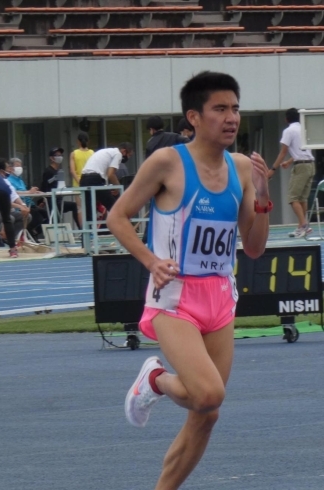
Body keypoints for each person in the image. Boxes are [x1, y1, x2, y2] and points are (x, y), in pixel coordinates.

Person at [107, 71, 270, 490]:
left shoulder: (242, 169)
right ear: (194, 117)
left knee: (207, 413)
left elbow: (253, 248)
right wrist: (150, 260)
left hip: (220, 297)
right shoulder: (167, 162)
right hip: (174, 298)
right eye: (220, 109)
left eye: (235, 108)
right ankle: (154, 380)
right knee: (208, 394)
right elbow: (117, 216)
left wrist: (265, 197)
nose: (231, 117)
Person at [268, 108, 315, 238]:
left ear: (286, 119)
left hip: (301, 167)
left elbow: (283, 151)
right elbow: (303, 151)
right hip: (310, 165)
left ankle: (304, 225)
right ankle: (301, 226)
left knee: (293, 198)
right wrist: (289, 161)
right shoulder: (304, 129)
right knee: (302, 198)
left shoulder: (289, 131)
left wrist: (272, 169)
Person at [79, 142, 134, 226]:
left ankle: (88, 235)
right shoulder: (117, 154)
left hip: (84, 179)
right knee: (114, 207)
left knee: (88, 209)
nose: (128, 158)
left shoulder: (107, 151)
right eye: (129, 155)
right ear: (124, 151)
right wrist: (118, 187)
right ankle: (124, 229)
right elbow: (111, 174)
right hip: (95, 179)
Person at [41, 147, 81, 229]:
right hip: (52, 201)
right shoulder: (48, 171)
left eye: (60, 155)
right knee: (54, 217)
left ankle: (81, 229)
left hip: (59, 200)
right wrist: (42, 200)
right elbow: (44, 186)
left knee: (74, 206)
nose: (59, 157)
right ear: (51, 158)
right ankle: (38, 229)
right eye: (57, 155)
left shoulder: (59, 171)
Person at [7, 158, 46, 239]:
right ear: (10, 168)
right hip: (19, 207)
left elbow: (25, 192)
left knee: (46, 215)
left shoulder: (20, 180)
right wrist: (28, 192)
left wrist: (34, 192)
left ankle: (34, 233)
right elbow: (13, 193)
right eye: (17, 166)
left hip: (29, 204)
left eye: (20, 166)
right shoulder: (8, 180)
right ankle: (30, 233)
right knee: (37, 217)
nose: (19, 168)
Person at [69, 131, 94, 226]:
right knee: (90, 207)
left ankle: (83, 230)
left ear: (78, 142)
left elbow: (72, 170)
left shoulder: (74, 154)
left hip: (78, 184)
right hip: (90, 183)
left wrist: (79, 181)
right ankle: (91, 229)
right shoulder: (92, 153)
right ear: (88, 141)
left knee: (80, 208)